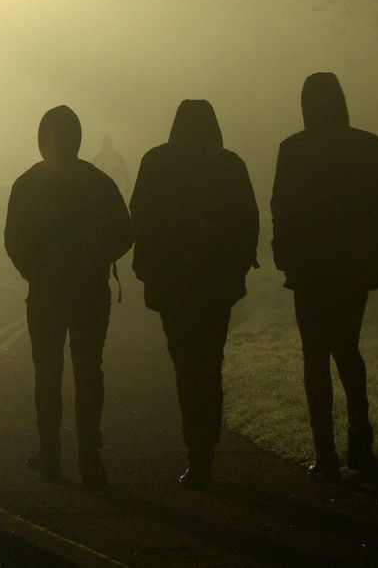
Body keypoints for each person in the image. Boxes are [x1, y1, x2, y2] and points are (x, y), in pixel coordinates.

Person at [270, 72, 378, 481]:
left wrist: (286, 258)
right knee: (347, 349)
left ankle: (325, 453)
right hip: (351, 268)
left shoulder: (293, 148)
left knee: (315, 356)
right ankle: (359, 441)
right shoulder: (366, 145)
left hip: (310, 269)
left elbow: (282, 209)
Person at [130, 100, 259, 488]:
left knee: (186, 367)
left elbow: (140, 217)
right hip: (215, 285)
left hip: (175, 285)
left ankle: (197, 451)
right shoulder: (229, 165)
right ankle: (206, 448)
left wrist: (152, 267)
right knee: (210, 363)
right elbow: (248, 222)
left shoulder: (157, 162)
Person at [4, 105, 132, 488]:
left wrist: (36, 270)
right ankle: (89, 457)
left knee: (48, 375)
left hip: (46, 294)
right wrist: (97, 259)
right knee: (88, 372)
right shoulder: (98, 182)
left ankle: (50, 454)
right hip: (90, 292)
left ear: (43, 140)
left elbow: (14, 240)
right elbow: (125, 233)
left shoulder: (26, 185)